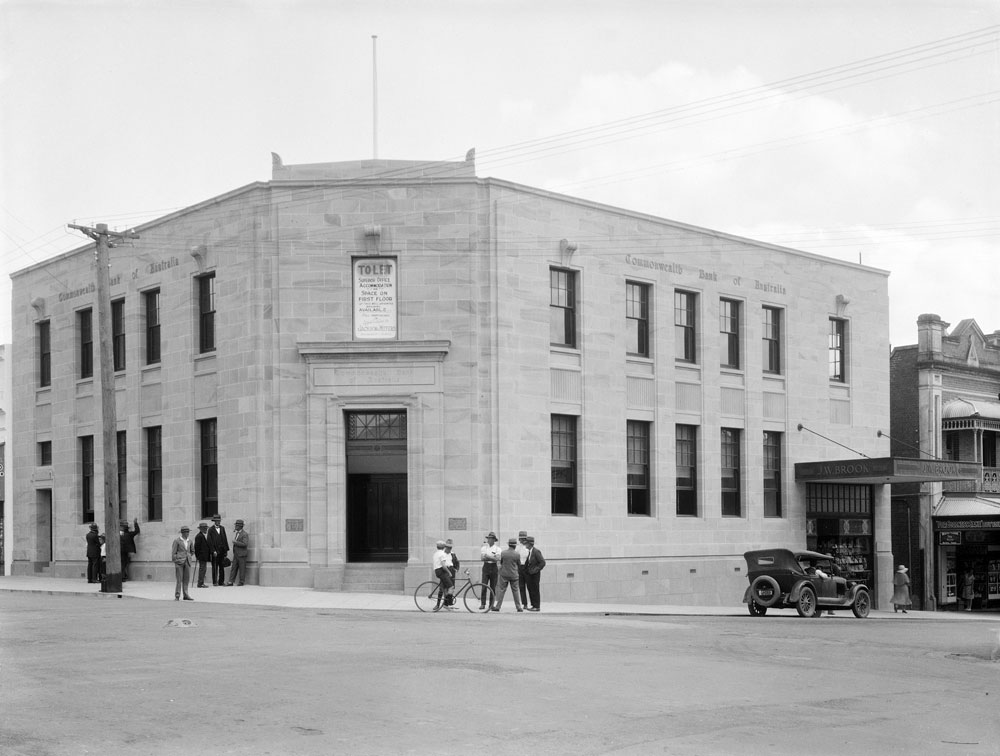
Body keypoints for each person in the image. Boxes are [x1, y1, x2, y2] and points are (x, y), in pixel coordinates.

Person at [492, 537, 524, 613]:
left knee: (502, 590)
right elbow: (519, 564)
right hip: (514, 575)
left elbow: (501, 562)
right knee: (515, 591)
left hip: (504, 574)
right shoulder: (517, 554)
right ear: (515, 546)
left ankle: (498, 606)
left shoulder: (503, 553)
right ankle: (518, 607)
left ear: (509, 545)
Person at [523, 535, 546, 611]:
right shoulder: (530, 552)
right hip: (529, 575)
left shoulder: (536, 551)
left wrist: (536, 570)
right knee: (531, 590)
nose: (525, 544)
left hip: (535, 575)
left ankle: (537, 606)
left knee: (535, 590)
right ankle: (533, 605)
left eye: (526, 543)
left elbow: (542, 562)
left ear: (530, 544)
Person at [171, 526, 194, 601]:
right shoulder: (177, 541)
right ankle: (177, 595)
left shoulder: (190, 541)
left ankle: (186, 594)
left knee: (186, 579)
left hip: (187, 561)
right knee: (179, 579)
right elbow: (173, 552)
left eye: (188, 532)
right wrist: (176, 560)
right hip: (179, 562)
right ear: (183, 533)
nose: (188, 533)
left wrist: (189, 556)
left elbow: (192, 550)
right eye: (186, 532)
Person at [480, 532, 501, 610]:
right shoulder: (484, 548)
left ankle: (491, 604)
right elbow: (482, 558)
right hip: (486, 566)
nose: (488, 540)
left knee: (493, 587)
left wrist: (488, 556)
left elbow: (497, 559)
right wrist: (492, 557)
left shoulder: (497, 549)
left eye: (490, 538)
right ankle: (483, 603)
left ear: (493, 540)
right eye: (488, 538)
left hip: (493, 567)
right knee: (484, 586)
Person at [207, 514, 230, 586]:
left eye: (219, 521)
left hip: (222, 551)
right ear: (214, 521)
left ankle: (221, 581)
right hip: (215, 552)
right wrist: (213, 551)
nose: (218, 522)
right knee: (214, 567)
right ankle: (214, 582)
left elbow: (225, 539)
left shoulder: (222, 528)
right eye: (217, 521)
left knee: (222, 567)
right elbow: (209, 541)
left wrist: (226, 551)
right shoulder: (210, 529)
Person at [432, 539, 456, 609]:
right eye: (448, 547)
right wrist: (448, 572)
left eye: (450, 547)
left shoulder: (452, 554)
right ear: (445, 547)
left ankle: (446, 604)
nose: (449, 548)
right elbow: (443, 565)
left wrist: (455, 569)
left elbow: (456, 562)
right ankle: (439, 604)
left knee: (450, 588)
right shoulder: (442, 553)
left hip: (450, 570)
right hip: (444, 571)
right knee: (442, 588)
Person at [227, 519, 249, 586]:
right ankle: (231, 581)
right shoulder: (236, 533)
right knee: (233, 568)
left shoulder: (244, 534)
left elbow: (245, 544)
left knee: (242, 568)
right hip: (236, 554)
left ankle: (241, 582)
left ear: (240, 526)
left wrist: (236, 542)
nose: (235, 526)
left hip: (242, 554)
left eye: (237, 525)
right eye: (236, 525)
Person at [193, 522, 212, 587]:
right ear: (200, 529)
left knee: (203, 569)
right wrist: (198, 556)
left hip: (204, 556)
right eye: (204, 528)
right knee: (202, 569)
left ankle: (201, 582)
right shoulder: (199, 536)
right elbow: (196, 547)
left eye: (206, 528)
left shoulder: (203, 535)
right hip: (201, 556)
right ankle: (200, 583)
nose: (205, 529)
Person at [515, 530, 529, 609]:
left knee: (529, 586)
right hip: (520, 567)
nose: (521, 540)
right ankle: (525, 603)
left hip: (527, 567)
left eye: (523, 539)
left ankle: (533, 603)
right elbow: (516, 556)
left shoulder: (528, 547)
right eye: (520, 539)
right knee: (521, 586)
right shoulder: (518, 547)